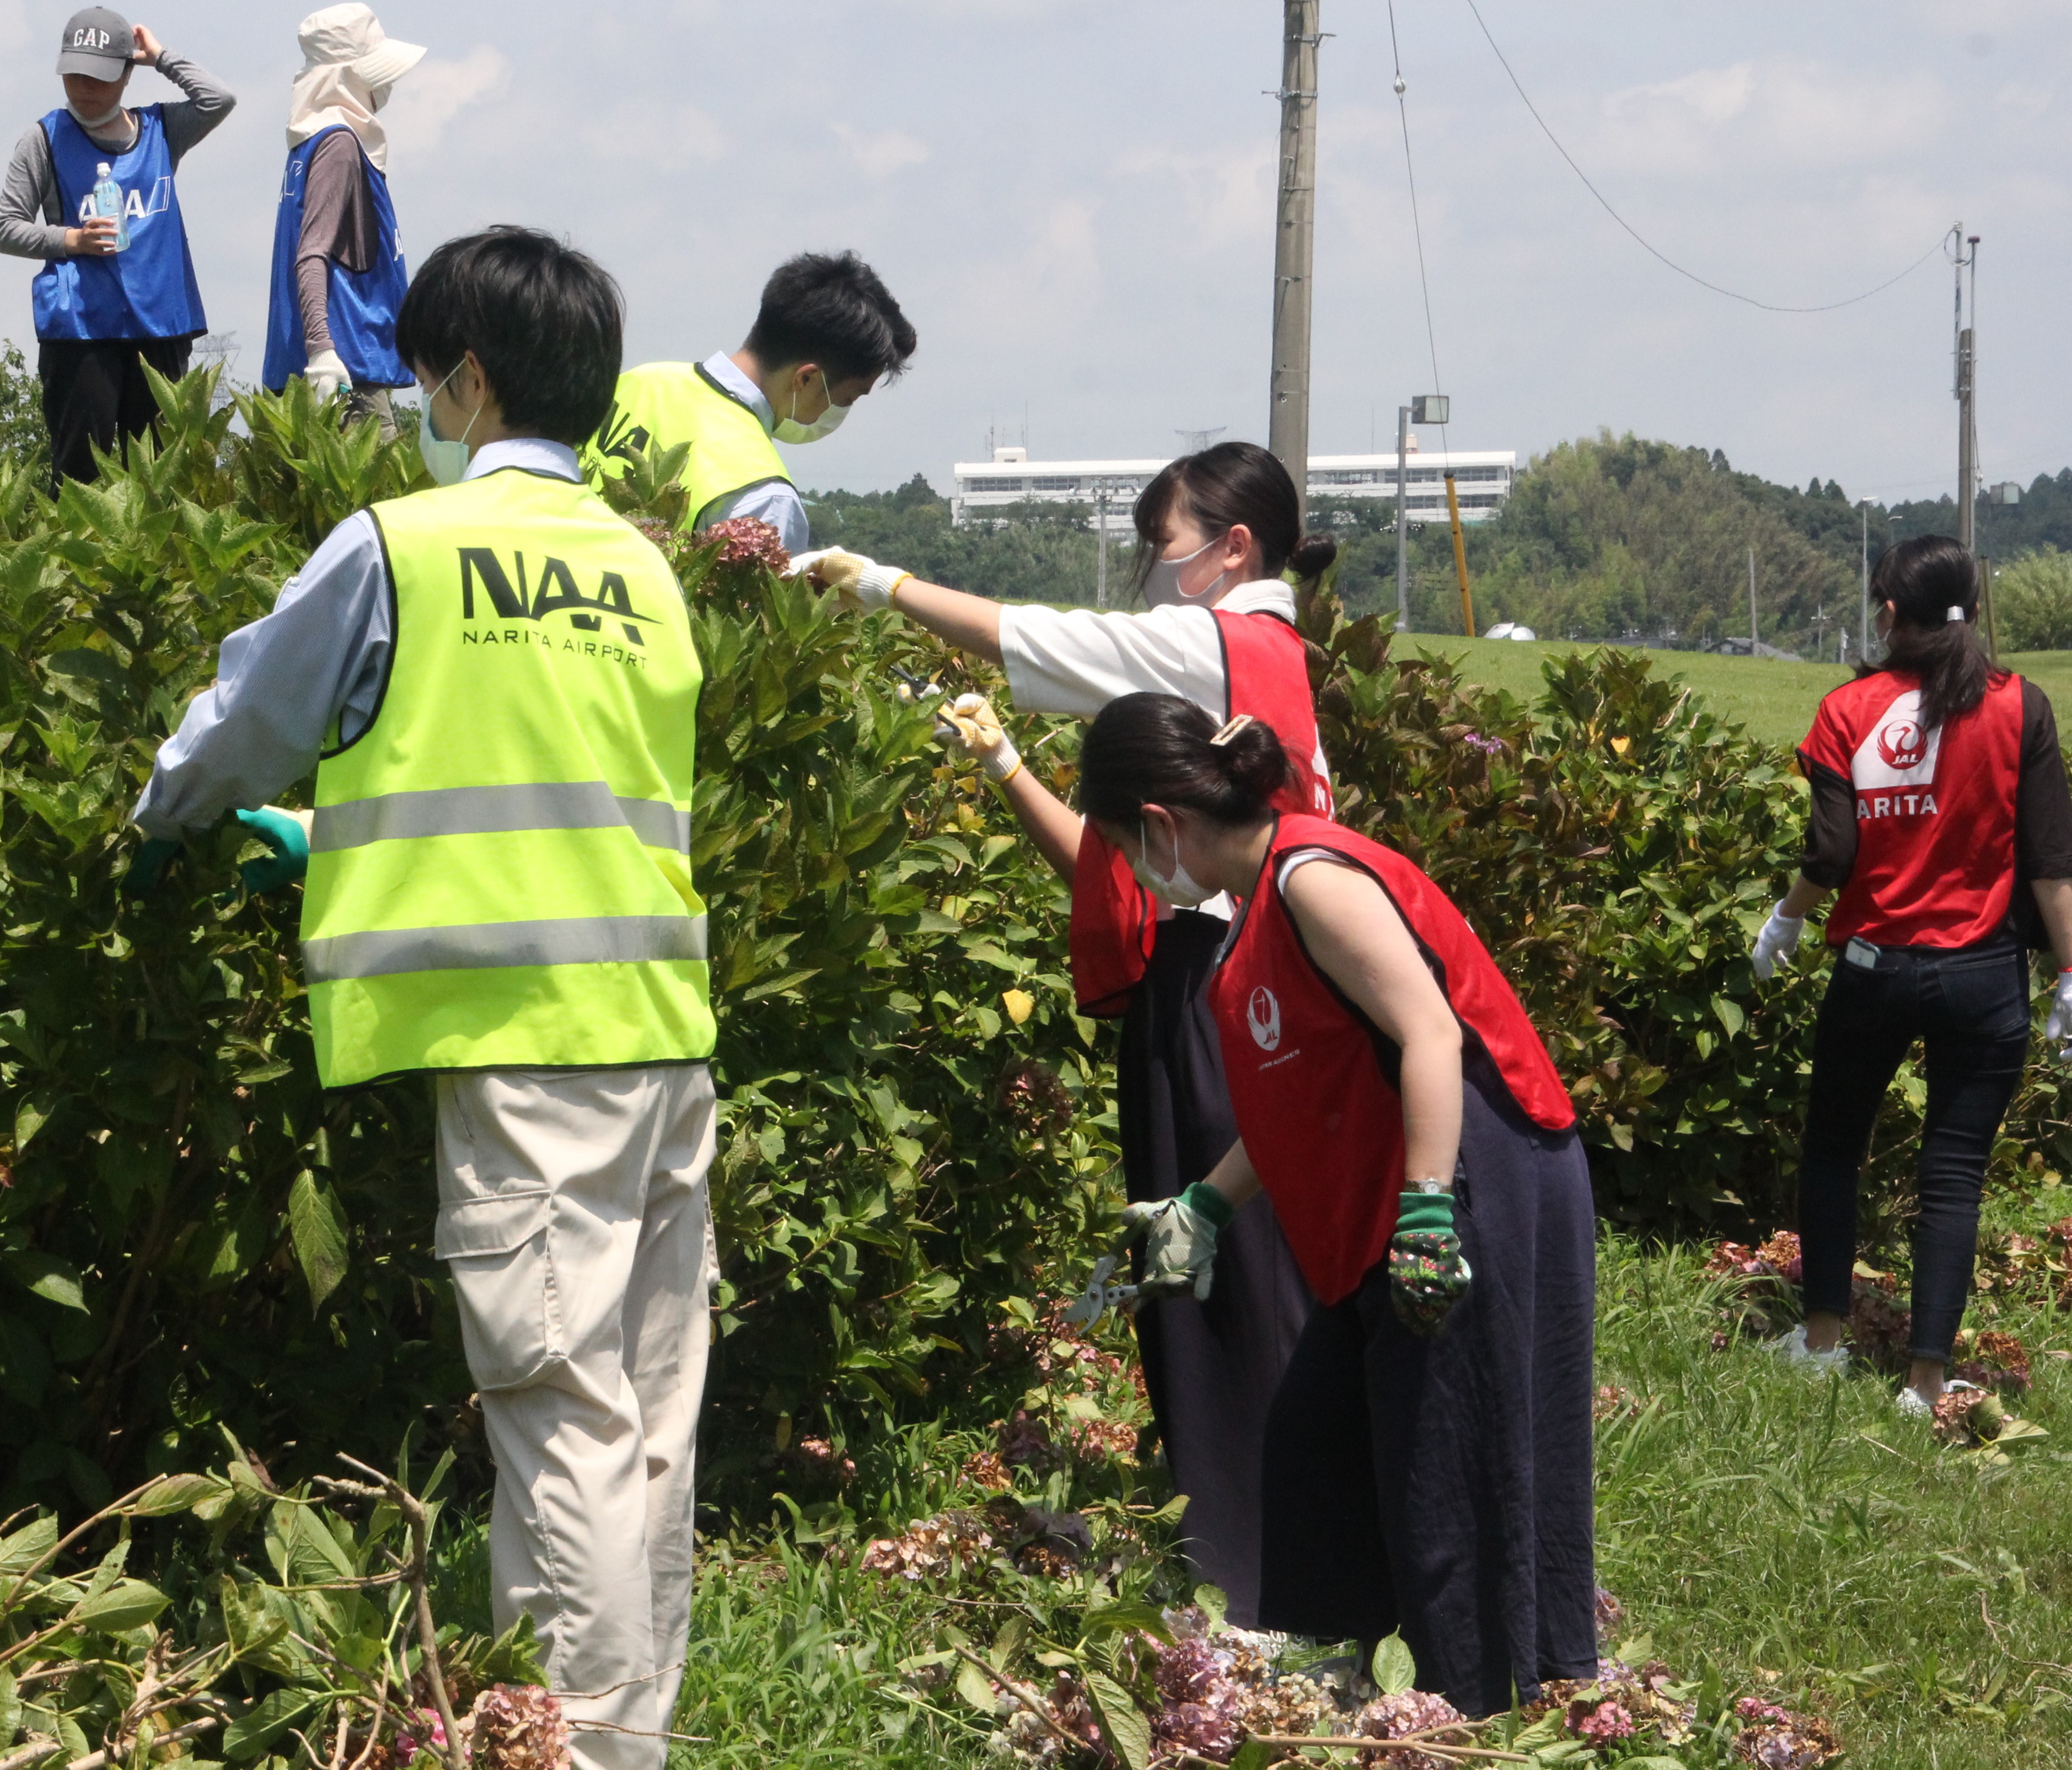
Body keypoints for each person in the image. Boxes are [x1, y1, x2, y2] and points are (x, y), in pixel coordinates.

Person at [126, 227, 715, 1770]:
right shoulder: (642, 565)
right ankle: (632, 1733)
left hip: (529, 1054)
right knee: (649, 1418)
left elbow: (246, 716)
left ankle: (574, 1752)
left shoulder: (405, 541)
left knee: (560, 1411)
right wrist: (335, 843)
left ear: (465, 375)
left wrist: (158, 820)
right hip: (659, 1031)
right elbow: (557, 790)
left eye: (423, 369)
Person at [798, 442, 1335, 1627]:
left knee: (1218, 1273)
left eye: (1169, 540)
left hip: (1211, 991)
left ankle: (1250, 1574)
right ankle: (1260, 1547)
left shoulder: (1219, 642)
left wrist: (880, 581)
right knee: (1216, 1265)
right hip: (1225, 982)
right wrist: (998, 761)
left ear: (1233, 547)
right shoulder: (1262, 665)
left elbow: (1036, 637)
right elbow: (1127, 879)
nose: (1158, 565)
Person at [1070, 693, 1596, 1717]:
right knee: (1319, 1435)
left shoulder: (1310, 878)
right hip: (1400, 1185)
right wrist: (1205, 1207)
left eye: (1123, 846)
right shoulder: (1250, 914)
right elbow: (1296, 1093)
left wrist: (1431, 1212)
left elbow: (1431, 1036)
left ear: (1161, 823)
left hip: (1472, 1173)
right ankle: (1344, 1676)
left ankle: (1477, 1708)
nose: (1131, 873)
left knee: (1450, 1461)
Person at [1753, 535, 2072, 1416]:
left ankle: (1820, 1339)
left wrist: (1785, 918)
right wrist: (2071, 972)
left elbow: (1832, 851)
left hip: (1872, 968)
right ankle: (1927, 1378)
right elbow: (2051, 860)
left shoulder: (1848, 708)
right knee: (1954, 1171)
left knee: (1831, 1147)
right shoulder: (2021, 706)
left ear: (1890, 610)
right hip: (1984, 974)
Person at [0, 6, 234, 486]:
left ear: (127, 74)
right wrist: (71, 239)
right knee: (81, 479)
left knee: (161, 476)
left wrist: (161, 57)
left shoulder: (164, 130)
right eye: (75, 75)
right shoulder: (42, 140)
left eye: (99, 77)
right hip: (81, 331)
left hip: (160, 326)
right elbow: (6, 227)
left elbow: (219, 99)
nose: (84, 89)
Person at [582, 250, 915, 552]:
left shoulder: (642, 380)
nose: (839, 412)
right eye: (848, 398)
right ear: (806, 379)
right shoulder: (766, 499)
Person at [261, 4, 427, 441]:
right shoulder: (338, 145)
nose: (386, 83)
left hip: (326, 369)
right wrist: (321, 351)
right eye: (375, 72)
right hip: (343, 371)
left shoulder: (308, 145)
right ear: (346, 78)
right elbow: (312, 254)